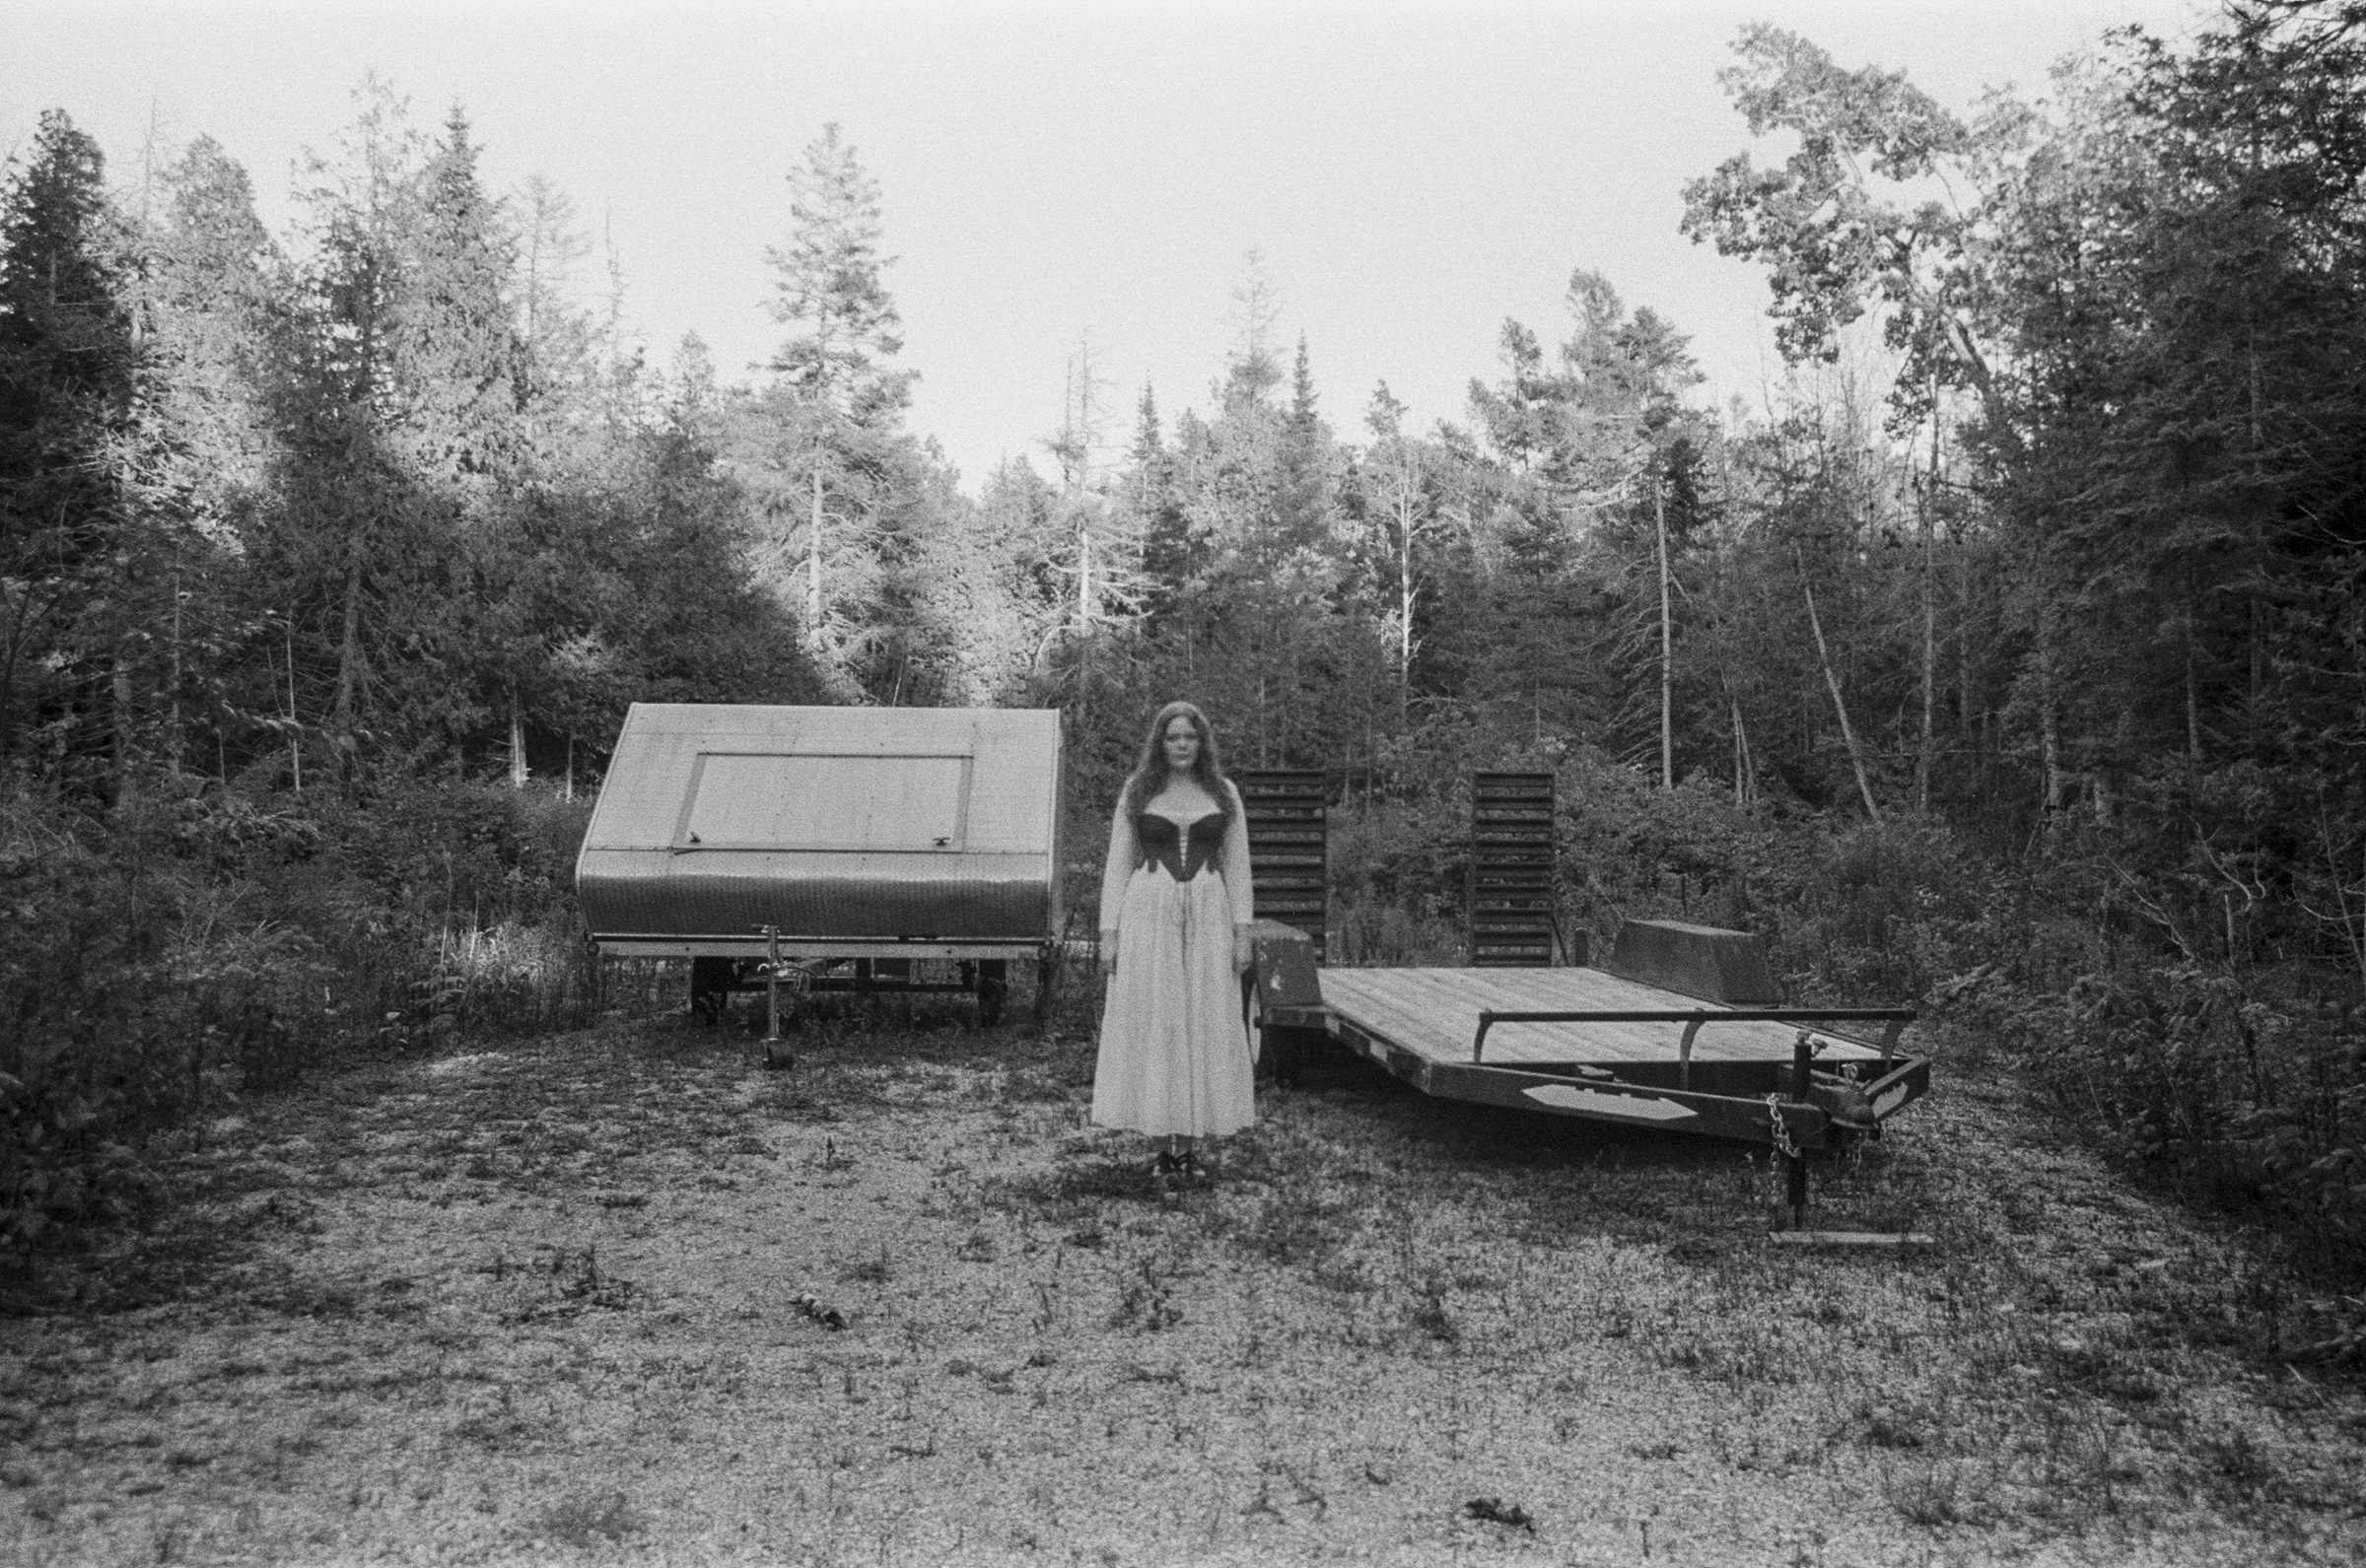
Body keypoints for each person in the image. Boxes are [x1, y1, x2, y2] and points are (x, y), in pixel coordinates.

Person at [1092, 701, 1257, 1181]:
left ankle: (1188, 1144)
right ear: (1160, 743)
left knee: (1201, 1016)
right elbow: (1117, 863)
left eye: (1190, 737)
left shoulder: (1223, 792)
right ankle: (1160, 1142)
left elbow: (1239, 866)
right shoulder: (1138, 789)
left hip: (1209, 912)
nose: (1182, 745)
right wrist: (1109, 934)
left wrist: (1242, 933)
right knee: (1159, 1016)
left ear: (1202, 742)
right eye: (1173, 737)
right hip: (1149, 910)